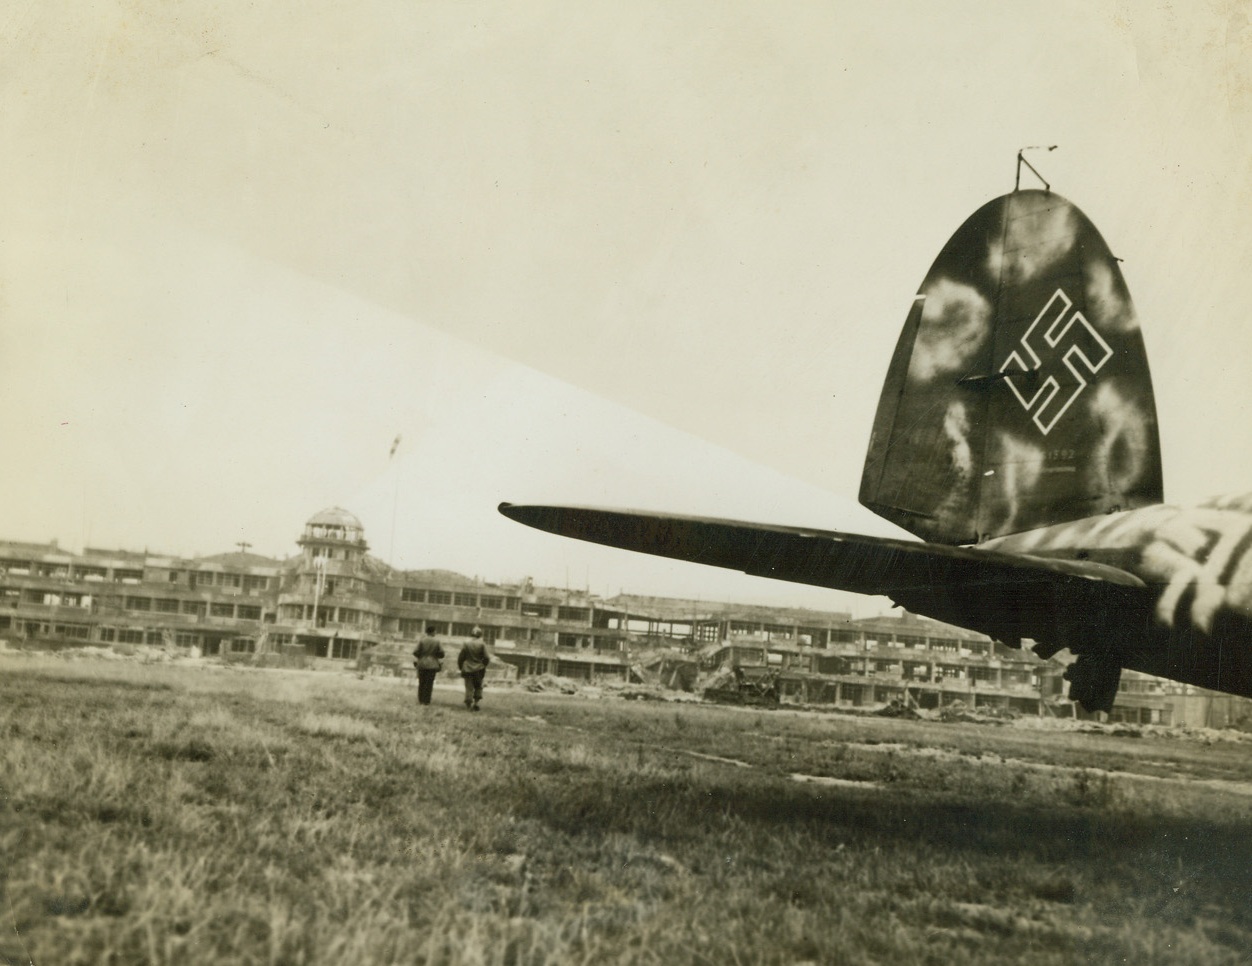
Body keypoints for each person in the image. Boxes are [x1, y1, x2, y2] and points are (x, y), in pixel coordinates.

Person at [457, 627, 491, 711]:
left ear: (471, 634)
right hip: (479, 668)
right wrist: (483, 665)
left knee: (469, 687)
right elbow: (486, 657)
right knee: (478, 686)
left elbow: (461, 657)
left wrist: (461, 667)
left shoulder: (466, 643)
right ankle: (476, 703)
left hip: (467, 667)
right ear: (480, 635)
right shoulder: (482, 644)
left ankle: (468, 704)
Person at [412, 625, 444, 707]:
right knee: (429, 683)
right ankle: (427, 701)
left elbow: (415, 652)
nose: (435, 633)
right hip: (432, 665)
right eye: (435, 631)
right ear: (433, 632)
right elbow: (442, 653)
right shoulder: (437, 641)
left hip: (422, 664)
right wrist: (435, 655)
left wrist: (421, 656)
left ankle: (421, 699)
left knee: (421, 682)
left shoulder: (422, 641)